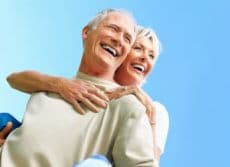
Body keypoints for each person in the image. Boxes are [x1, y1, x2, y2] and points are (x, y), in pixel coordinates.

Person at [0, 9, 157, 167]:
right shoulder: (46, 89)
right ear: (86, 32)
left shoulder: (128, 107)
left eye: (127, 39)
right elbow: (13, 79)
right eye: (113, 28)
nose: (118, 40)